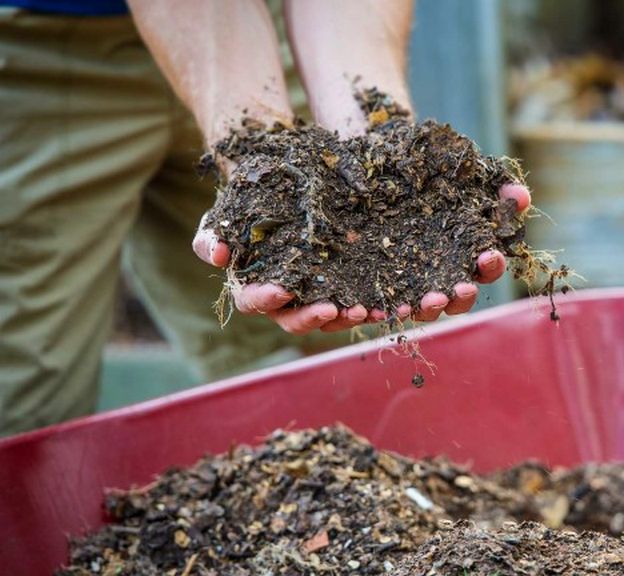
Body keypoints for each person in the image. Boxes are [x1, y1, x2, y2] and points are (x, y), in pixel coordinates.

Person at [0, 0, 531, 435]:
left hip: (259, 37)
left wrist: (382, 132)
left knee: (341, 373)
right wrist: (260, 160)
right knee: (25, 393)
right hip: (42, 55)